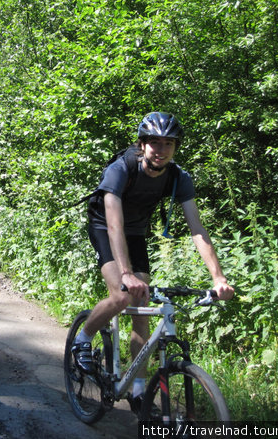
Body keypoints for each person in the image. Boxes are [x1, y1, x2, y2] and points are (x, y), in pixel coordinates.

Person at [73, 112, 234, 412]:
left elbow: (197, 229)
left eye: (169, 143)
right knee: (122, 295)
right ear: (142, 144)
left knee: (143, 308)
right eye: (154, 142)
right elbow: (114, 226)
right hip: (105, 227)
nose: (161, 149)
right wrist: (126, 273)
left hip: (135, 232)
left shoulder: (178, 177)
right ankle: (83, 337)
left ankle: (136, 391)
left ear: (176, 147)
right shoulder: (120, 169)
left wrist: (218, 278)